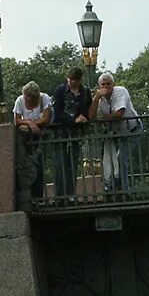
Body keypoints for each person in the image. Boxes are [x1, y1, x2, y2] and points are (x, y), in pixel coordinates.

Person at [89, 71, 141, 194]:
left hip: (131, 130)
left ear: (113, 84)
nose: (106, 87)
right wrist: (96, 99)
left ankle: (124, 191)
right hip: (116, 133)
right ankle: (113, 189)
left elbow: (119, 113)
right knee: (111, 161)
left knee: (121, 158)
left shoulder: (120, 91)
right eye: (103, 84)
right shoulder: (100, 99)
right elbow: (91, 116)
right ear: (99, 86)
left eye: (108, 84)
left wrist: (102, 119)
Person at [52, 67, 91, 201]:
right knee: (60, 162)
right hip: (61, 131)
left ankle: (70, 195)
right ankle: (59, 195)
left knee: (73, 163)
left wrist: (84, 118)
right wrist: (73, 120)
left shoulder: (85, 92)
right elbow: (58, 112)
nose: (71, 82)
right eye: (69, 80)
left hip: (76, 133)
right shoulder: (60, 90)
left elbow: (87, 110)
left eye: (74, 80)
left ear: (79, 80)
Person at [13, 81, 52, 200]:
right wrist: (30, 123)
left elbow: (46, 118)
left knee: (39, 165)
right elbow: (17, 120)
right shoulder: (20, 101)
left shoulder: (44, 99)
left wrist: (33, 124)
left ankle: (38, 197)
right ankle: (27, 196)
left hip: (41, 136)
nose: (26, 99)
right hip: (25, 138)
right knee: (25, 166)